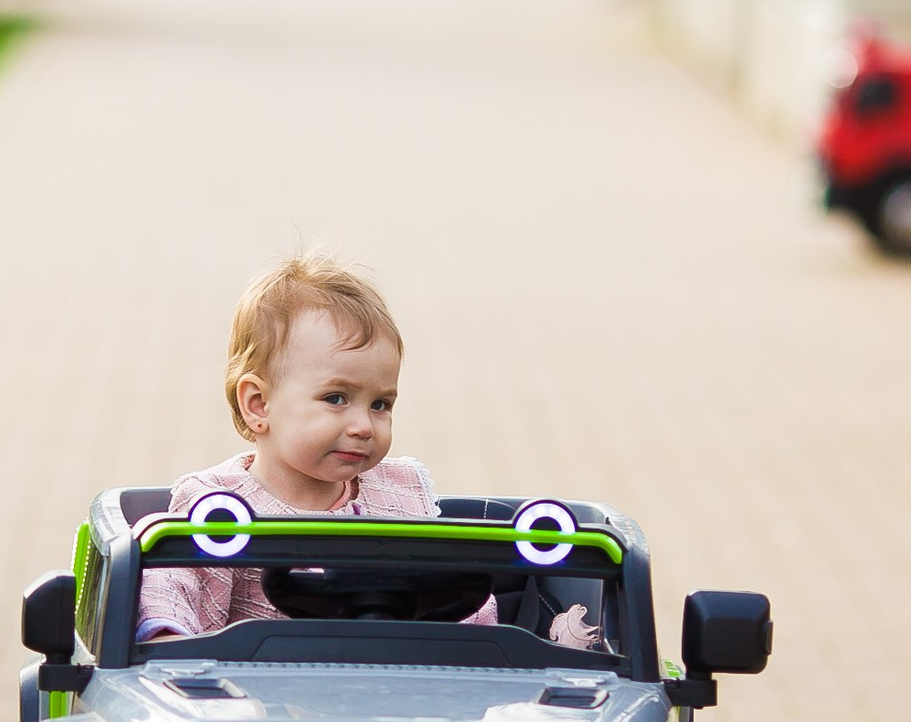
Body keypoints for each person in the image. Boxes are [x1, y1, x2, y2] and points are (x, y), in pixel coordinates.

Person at [137, 253, 596, 646]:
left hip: (396, 700)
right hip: (262, 711)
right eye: (336, 398)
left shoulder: (399, 496)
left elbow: (462, 605)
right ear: (259, 404)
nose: (363, 426)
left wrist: (514, 649)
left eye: (381, 404)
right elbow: (173, 588)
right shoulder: (220, 507)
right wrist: (170, 641)